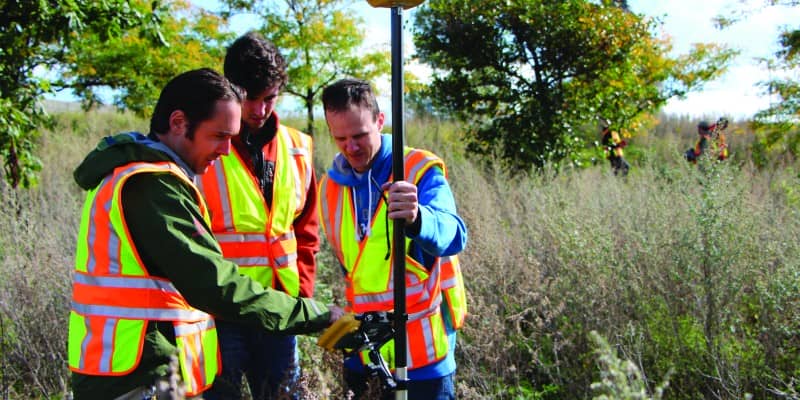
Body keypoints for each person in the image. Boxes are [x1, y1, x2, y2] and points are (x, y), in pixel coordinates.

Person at [68, 68, 341, 400]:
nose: (226, 150)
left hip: (140, 367)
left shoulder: (146, 176)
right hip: (136, 375)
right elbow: (214, 284)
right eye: (219, 136)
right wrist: (315, 315)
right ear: (179, 122)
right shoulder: (151, 186)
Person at [318, 78, 469, 399]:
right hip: (365, 352)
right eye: (340, 137)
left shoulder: (417, 169)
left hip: (423, 354)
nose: (351, 146)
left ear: (380, 121)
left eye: (360, 135)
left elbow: (454, 235)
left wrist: (418, 218)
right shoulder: (329, 189)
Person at [196, 32, 320, 400]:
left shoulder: (299, 147)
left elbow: (306, 228)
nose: (259, 110)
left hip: (280, 308)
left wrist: (302, 296)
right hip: (221, 312)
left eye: (269, 99)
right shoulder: (204, 147)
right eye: (250, 98)